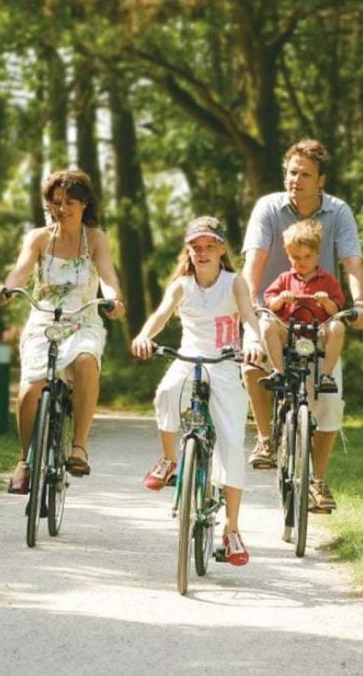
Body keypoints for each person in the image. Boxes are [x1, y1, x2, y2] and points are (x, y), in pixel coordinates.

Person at [241, 139, 363, 512]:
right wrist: (252, 314)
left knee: (328, 402)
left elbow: (352, 264)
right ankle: (266, 438)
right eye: (291, 172)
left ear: (321, 180)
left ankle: (317, 480)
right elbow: (254, 262)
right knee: (252, 366)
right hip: (273, 312)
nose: (295, 180)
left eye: (304, 174)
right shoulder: (268, 207)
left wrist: (358, 304)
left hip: (319, 319)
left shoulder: (339, 212)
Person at [131, 216, 264, 566]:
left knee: (232, 444)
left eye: (209, 246)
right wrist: (146, 336)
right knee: (166, 393)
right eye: (196, 247)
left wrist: (252, 342)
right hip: (188, 359)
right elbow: (160, 315)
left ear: (221, 248)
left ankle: (232, 529)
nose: (202, 253)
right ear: (188, 251)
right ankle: (169, 459)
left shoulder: (235, 283)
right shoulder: (182, 285)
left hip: (222, 365)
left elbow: (249, 317)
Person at [0, 169, 125, 494]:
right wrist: (7, 289)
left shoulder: (95, 238)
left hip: (83, 317)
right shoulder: (39, 237)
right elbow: (21, 270)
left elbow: (107, 275)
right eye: (56, 202)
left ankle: (79, 447)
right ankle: (25, 459)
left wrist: (112, 298)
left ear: (84, 204)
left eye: (69, 202)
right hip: (45, 320)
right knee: (30, 390)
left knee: (85, 362)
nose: (62, 208)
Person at [261, 220, 347, 395]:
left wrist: (326, 302)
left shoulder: (328, 280)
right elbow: (270, 303)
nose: (302, 262)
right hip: (289, 332)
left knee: (338, 326)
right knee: (267, 324)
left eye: (307, 256)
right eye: (296, 258)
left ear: (317, 254)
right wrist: (281, 298)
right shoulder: (285, 278)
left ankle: (326, 376)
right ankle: (279, 372)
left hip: (318, 333)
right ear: (288, 255)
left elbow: (336, 310)